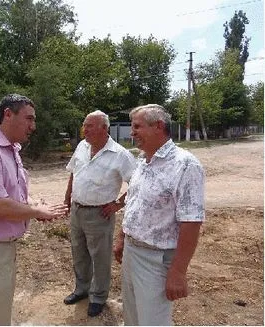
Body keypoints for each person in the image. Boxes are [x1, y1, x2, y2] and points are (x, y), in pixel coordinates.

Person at [0, 94, 68, 326]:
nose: (33, 126)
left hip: (0, 250)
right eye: (29, 119)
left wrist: (32, 203)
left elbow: (11, 192)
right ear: (8, 114)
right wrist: (37, 211)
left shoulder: (10, 149)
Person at [113, 104, 205, 326]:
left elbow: (191, 222)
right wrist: (122, 238)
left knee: (153, 321)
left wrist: (178, 271)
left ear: (158, 126)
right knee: (132, 315)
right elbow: (135, 202)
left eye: (137, 126)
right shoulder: (143, 161)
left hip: (156, 259)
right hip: (132, 252)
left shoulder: (185, 165)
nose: (132, 132)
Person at [63, 110, 137, 317]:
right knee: (79, 253)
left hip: (100, 214)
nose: (84, 129)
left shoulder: (120, 154)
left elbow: (138, 183)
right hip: (78, 210)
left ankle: (98, 297)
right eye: (84, 125)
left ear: (104, 128)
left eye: (89, 126)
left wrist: (117, 205)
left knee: (100, 257)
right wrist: (67, 197)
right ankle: (82, 289)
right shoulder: (82, 146)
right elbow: (73, 172)